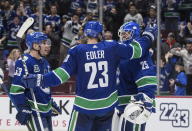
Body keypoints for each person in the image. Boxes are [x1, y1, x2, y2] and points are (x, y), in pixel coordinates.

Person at [21, 21, 157, 131]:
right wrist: (148, 36)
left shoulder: (77, 50)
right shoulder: (112, 47)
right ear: (100, 34)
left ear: (86, 34)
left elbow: (61, 75)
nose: (124, 36)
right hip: (107, 108)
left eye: (127, 34)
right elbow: (137, 50)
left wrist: (40, 79)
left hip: (84, 108)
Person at [9, 32, 61, 131]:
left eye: (47, 42)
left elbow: (45, 86)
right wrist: (22, 107)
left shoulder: (45, 62)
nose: (47, 46)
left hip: (46, 109)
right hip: (34, 110)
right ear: (35, 45)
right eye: (44, 43)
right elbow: (16, 90)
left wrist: (50, 103)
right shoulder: (24, 61)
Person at [112, 23, 157, 131]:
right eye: (122, 34)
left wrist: (145, 97)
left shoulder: (139, 54)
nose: (123, 36)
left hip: (134, 105)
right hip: (119, 104)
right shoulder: (122, 52)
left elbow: (146, 76)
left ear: (135, 34)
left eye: (126, 34)